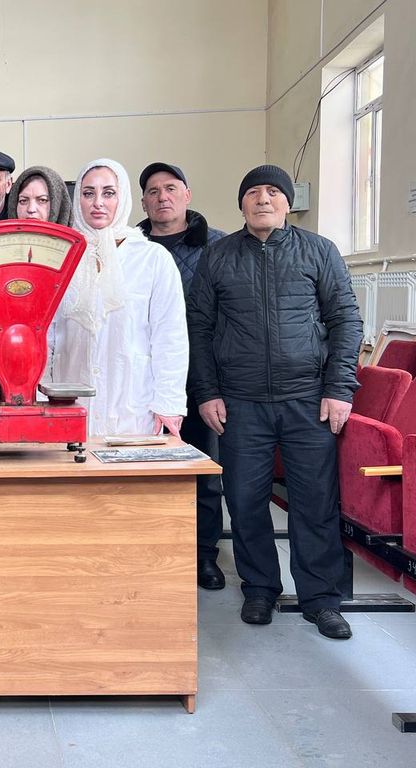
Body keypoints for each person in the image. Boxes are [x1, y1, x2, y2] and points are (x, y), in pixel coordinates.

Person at [187, 164, 363, 639]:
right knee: (245, 501)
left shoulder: (319, 251)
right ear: (241, 204)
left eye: (272, 192)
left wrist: (339, 388)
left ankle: (321, 599)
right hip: (241, 403)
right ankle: (260, 588)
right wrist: (207, 392)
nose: (262, 199)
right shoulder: (218, 256)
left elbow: (346, 320)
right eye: (252, 193)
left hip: (308, 401)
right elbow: (199, 328)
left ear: (287, 202)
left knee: (315, 502)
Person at [45, 158, 188, 437]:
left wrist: (168, 404)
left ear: (122, 198)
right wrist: (43, 395)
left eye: (108, 193)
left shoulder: (152, 258)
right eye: (88, 193)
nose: (98, 203)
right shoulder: (60, 258)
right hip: (70, 400)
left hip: (134, 404)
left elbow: (169, 337)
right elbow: (48, 334)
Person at [137, 162, 228, 592]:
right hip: (142, 380)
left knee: (201, 467)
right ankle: (153, 548)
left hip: (200, 377)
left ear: (187, 195)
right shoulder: (130, 246)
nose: (162, 197)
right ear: (142, 202)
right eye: (153, 191)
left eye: (171, 188)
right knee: (145, 466)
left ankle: (204, 554)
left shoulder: (218, 246)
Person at [8, 165, 74, 225]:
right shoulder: (2, 234)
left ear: (58, 205)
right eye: (23, 201)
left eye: (42, 200)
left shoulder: (76, 235)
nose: (31, 209)